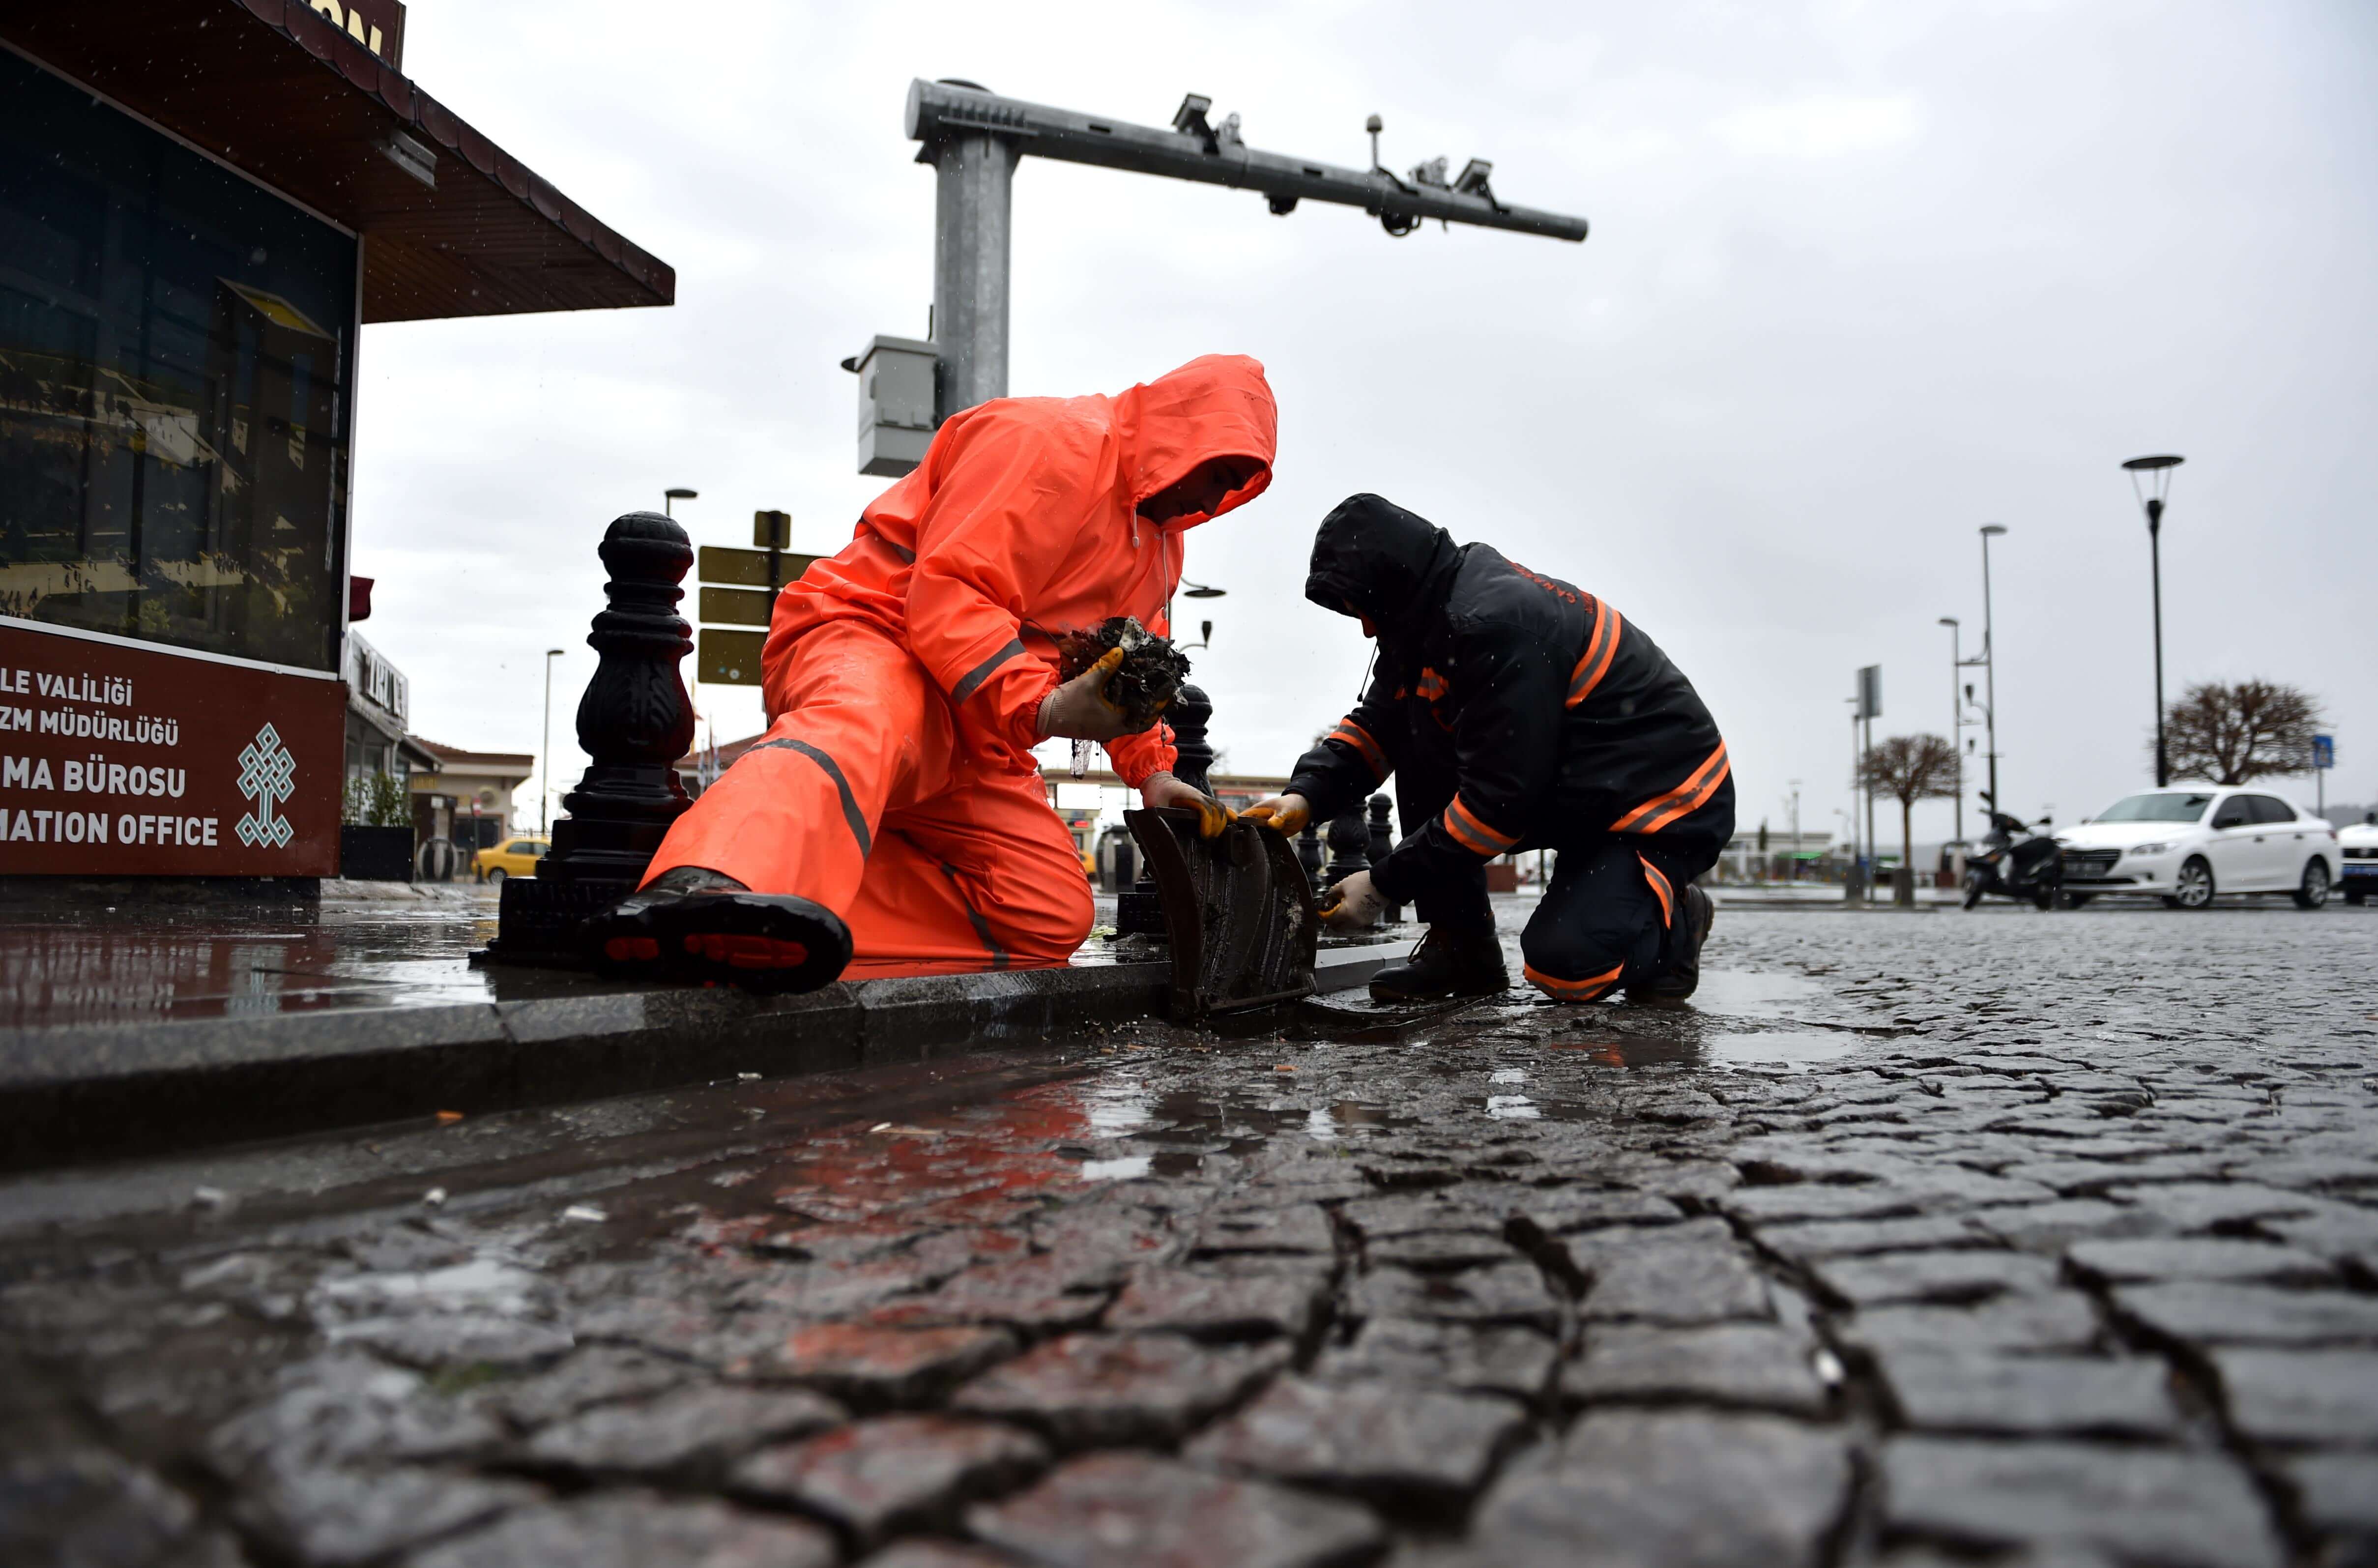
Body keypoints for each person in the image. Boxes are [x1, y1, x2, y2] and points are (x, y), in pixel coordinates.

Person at [589, 355, 1274, 990]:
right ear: (1185, 434)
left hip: (977, 717)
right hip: (877, 633)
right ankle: (703, 884)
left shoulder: (1158, 543)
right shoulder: (1052, 442)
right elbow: (949, 592)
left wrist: (1152, 772)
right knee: (860, 726)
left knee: (1045, 910)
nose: (1219, 492)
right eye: (1220, 468)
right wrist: (1039, 709)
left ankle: (769, 924)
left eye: (1236, 480)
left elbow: (1127, 669)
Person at [1247, 494, 1732, 1005]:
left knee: (1565, 969)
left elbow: (1498, 804)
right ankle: (1463, 952)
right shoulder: (1420, 621)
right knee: (1421, 731)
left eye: (1366, 610)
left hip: (1661, 797)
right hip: (1582, 789)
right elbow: (1379, 726)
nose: (1367, 628)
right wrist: (1303, 797)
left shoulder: (1495, 627)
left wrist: (1382, 884)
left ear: (1395, 585)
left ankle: (1680, 924)